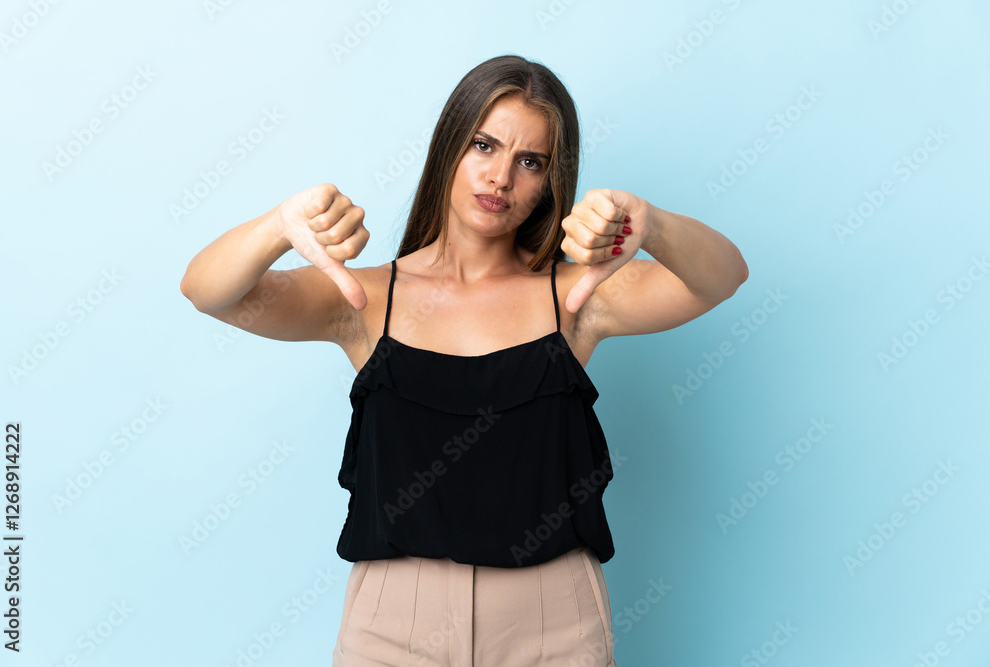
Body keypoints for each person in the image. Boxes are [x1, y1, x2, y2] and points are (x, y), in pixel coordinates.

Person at [180, 54, 747, 666]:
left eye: (530, 161)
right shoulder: (362, 299)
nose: (501, 177)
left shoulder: (577, 296)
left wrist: (654, 226)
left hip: (552, 620)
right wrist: (278, 226)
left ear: (550, 183)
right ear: (449, 146)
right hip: (394, 622)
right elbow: (209, 292)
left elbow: (722, 278)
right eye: (484, 144)